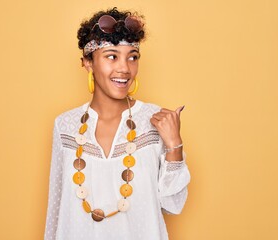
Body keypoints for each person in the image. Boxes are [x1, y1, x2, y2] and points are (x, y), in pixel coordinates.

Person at [44, 7, 191, 240]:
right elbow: (56, 209)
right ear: (87, 63)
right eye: (112, 56)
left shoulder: (155, 121)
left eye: (132, 57)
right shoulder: (65, 126)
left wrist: (175, 145)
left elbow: (173, 205)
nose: (124, 68)